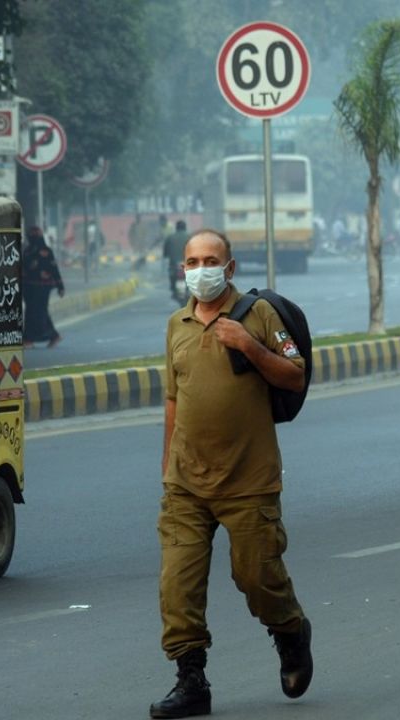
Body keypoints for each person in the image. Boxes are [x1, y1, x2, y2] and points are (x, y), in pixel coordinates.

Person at [151, 229, 312, 719]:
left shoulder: (258, 315)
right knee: (177, 586)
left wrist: (249, 345)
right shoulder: (176, 324)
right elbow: (174, 400)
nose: (202, 269)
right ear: (183, 268)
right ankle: (191, 679)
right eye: (193, 261)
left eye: (211, 260)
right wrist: (167, 469)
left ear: (231, 266)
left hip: (248, 482)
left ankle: (290, 632)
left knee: (256, 576)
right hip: (186, 484)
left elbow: (295, 373)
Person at [22, 225, 65, 348]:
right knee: (36, 312)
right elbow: (23, 270)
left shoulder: (47, 251)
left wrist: (60, 286)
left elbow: (54, 269)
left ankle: (29, 339)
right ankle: (53, 336)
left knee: (36, 312)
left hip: (42, 288)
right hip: (29, 288)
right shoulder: (27, 251)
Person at [162, 220, 190, 289]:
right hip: (187, 265)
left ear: (176, 228)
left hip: (174, 265)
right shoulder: (190, 237)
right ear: (185, 228)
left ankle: (173, 287)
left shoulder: (170, 237)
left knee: (172, 275)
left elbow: (165, 253)